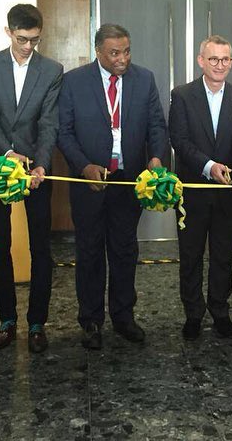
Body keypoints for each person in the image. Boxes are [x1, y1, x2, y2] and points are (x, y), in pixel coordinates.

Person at [57, 23, 168, 350]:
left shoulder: (144, 79)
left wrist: (156, 158)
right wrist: (83, 167)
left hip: (128, 181)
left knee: (124, 250)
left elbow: (157, 126)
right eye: (114, 53)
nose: (122, 59)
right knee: (89, 251)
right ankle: (91, 320)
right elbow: (64, 132)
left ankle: (123, 316)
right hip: (89, 181)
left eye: (127, 51)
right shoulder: (74, 82)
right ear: (98, 52)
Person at [0, 4, 63, 353]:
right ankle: (7, 320)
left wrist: (40, 164)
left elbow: (49, 123)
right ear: (9, 33)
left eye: (35, 40)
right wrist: (9, 153)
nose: (29, 46)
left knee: (40, 246)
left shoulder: (52, 70)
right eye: (22, 39)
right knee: (1, 244)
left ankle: (37, 323)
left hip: (37, 170)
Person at [169, 35, 232, 340]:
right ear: (201, 61)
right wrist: (208, 166)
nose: (220, 65)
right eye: (214, 59)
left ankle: (220, 309)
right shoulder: (182, 95)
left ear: (231, 62)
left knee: (224, 256)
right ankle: (193, 313)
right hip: (193, 191)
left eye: (225, 59)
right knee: (190, 256)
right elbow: (179, 141)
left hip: (230, 193)